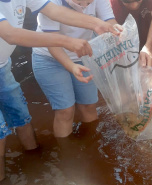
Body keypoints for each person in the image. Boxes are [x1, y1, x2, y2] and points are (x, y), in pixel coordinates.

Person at [0, 0, 120, 181]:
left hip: (3, 65)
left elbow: (55, 11)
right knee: (2, 131)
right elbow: (10, 35)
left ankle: (35, 163)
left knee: (21, 116)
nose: (86, 3)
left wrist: (100, 25)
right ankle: (64, 160)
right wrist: (68, 43)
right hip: (46, 58)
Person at [32, 0, 121, 142]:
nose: (85, 5)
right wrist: (71, 66)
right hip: (49, 57)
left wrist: (117, 30)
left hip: (83, 56)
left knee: (89, 105)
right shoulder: (51, 3)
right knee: (65, 110)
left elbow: (108, 20)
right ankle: (67, 154)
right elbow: (52, 42)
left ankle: (93, 147)